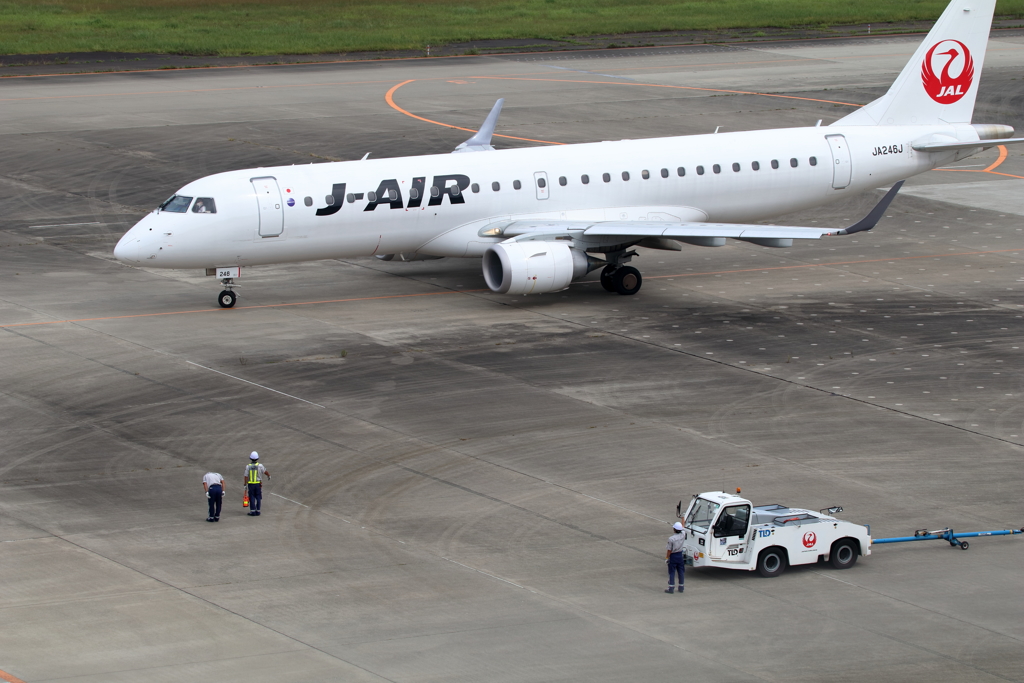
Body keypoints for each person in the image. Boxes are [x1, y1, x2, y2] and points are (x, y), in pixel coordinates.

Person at [243, 452, 270, 516]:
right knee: (258, 497)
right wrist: (269, 475)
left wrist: (245, 484)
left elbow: (246, 476)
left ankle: (252, 511)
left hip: (251, 484)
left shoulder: (248, 466)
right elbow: (265, 471)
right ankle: (258, 511)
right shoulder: (260, 466)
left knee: (252, 497)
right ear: (257, 458)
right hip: (258, 484)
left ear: (250, 458)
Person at [665, 521, 687, 593]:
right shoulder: (683, 534)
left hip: (673, 556)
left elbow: (669, 550)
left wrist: (667, 558)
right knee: (681, 571)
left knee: (672, 572)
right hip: (680, 555)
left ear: (674, 529)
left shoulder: (671, 539)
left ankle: (671, 587)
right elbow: (683, 526)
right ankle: (681, 587)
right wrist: (683, 518)